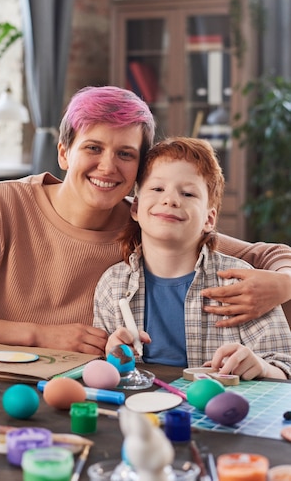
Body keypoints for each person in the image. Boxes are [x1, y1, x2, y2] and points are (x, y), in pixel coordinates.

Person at [0, 87, 291, 354]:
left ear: (140, 168)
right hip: (4, 383)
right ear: (64, 153)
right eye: (93, 148)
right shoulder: (3, 204)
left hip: (96, 392)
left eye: (126, 154)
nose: (108, 166)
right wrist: (39, 335)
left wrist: (281, 284)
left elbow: (269, 253)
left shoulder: (146, 223)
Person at [94, 137, 291, 379]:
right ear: (135, 208)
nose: (171, 200)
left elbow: (285, 368)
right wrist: (111, 356)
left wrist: (260, 367)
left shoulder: (243, 286)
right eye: (157, 189)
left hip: (220, 410)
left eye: (188, 193)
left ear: (209, 220)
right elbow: (102, 370)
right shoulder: (112, 285)